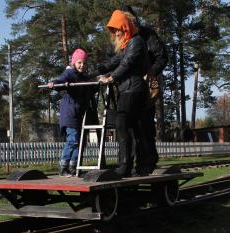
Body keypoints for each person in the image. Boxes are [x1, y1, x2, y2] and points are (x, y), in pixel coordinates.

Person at [98, 10, 148, 177]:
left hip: (133, 90)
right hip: (128, 90)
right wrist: (99, 70)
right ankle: (137, 167)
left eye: (117, 29)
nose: (116, 33)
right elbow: (116, 60)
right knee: (132, 129)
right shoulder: (128, 44)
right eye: (113, 31)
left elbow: (126, 63)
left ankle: (124, 166)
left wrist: (111, 77)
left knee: (122, 125)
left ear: (125, 27)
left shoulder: (136, 42)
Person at [121, 5, 168, 175]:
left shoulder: (148, 35)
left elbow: (162, 57)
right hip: (128, 88)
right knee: (130, 127)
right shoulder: (121, 38)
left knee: (145, 125)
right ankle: (131, 164)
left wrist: (151, 72)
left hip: (147, 86)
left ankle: (147, 162)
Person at [48, 48, 98, 176]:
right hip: (69, 113)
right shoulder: (70, 73)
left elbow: (91, 88)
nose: (82, 65)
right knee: (73, 140)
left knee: (81, 142)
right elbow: (61, 79)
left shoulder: (83, 77)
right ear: (74, 63)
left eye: (84, 63)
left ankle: (73, 166)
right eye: (80, 62)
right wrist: (55, 83)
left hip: (79, 114)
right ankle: (63, 167)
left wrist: (99, 82)